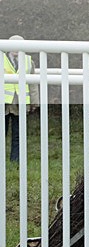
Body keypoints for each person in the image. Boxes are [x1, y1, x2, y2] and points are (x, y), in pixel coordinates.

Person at [4, 35, 38, 163]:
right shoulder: (1, 59)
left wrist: (35, 102)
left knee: (18, 134)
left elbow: (33, 83)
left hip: (20, 102)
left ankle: (15, 160)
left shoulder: (29, 61)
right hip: (4, 102)